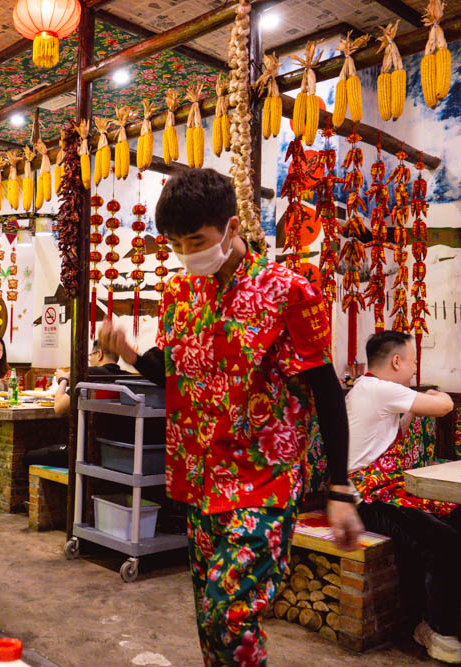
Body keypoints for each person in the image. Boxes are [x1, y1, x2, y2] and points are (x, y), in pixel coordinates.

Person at [98, 167, 362, 665]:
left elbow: (327, 391)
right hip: (199, 482)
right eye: (175, 243)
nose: (186, 253)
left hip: (263, 484)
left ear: (233, 226)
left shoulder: (289, 291)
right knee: (211, 622)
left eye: (195, 239)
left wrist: (340, 488)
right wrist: (131, 354)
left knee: (229, 614)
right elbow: (177, 376)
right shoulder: (181, 294)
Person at [347, 331, 461, 664]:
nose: (413, 369)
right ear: (396, 361)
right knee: (441, 539)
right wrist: (438, 394)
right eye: (412, 361)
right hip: (366, 498)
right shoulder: (379, 389)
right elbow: (444, 407)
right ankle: (436, 628)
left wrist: (415, 404)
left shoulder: (371, 390)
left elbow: (395, 430)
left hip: (387, 488)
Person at [52, 340, 127, 416]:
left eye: (90, 355)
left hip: (92, 427)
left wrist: (63, 379)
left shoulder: (88, 374)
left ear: (99, 354)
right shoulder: (128, 377)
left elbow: (59, 408)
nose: (90, 360)